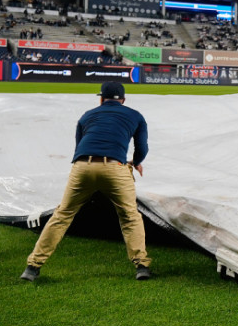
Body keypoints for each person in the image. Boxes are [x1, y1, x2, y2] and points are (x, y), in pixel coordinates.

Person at [20, 82, 152, 281]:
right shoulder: (136, 115)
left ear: (101, 99)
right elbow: (141, 148)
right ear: (123, 100)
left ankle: (32, 267)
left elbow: (79, 148)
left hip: (82, 166)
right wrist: (137, 162)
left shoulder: (87, 115)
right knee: (129, 216)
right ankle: (141, 266)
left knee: (62, 215)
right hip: (115, 167)